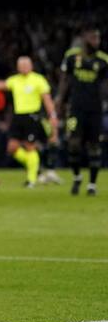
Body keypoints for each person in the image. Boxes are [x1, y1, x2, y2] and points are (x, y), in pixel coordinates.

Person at [0, 56, 60, 188]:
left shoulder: (38, 79)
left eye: (26, 64)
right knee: (12, 148)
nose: (23, 67)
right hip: (18, 117)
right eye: (21, 65)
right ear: (17, 67)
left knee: (30, 146)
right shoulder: (15, 80)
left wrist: (52, 115)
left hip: (32, 116)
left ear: (31, 66)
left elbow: (47, 99)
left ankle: (31, 179)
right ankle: (36, 169)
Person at [57, 26, 108, 196]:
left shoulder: (103, 60)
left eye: (98, 38)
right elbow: (65, 80)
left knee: (94, 146)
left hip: (95, 110)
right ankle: (77, 176)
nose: (96, 41)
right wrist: (59, 101)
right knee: (73, 143)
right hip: (75, 109)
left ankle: (92, 184)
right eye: (93, 38)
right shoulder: (72, 56)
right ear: (85, 38)